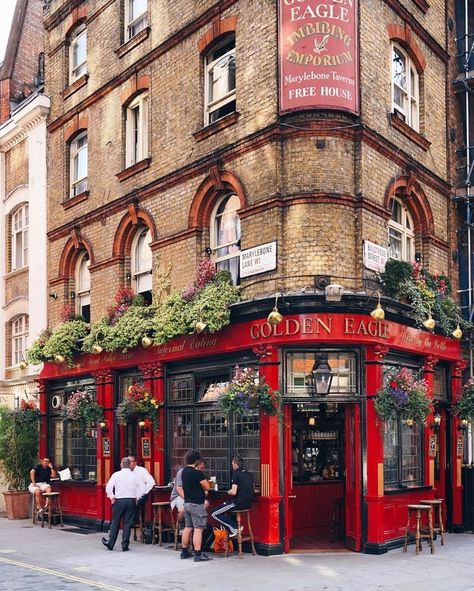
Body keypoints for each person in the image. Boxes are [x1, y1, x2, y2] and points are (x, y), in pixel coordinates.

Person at [102, 457, 145, 552]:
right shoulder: (135, 476)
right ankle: (125, 545)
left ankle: (111, 543)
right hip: (131, 500)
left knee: (115, 522)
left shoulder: (116, 475)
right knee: (128, 523)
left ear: (121, 464)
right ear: (130, 465)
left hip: (119, 500)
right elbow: (142, 488)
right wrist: (137, 497)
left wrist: (112, 497)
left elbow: (108, 487)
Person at [177, 449, 211, 562]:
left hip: (187, 503)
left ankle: (184, 551)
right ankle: (198, 553)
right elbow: (207, 486)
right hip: (197, 504)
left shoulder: (183, 472)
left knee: (188, 528)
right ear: (196, 460)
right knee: (198, 529)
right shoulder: (197, 473)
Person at [211, 456, 254, 538]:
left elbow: (233, 492)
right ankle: (234, 528)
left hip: (238, 503)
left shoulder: (236, 474)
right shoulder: (249, 474)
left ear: (235, 464)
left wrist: (228, 491)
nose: (232, 466)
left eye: (232, 464)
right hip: (248, 504)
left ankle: (235, 528)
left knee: (214, 513)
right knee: (229, 512)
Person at [170, 458, 206, 526]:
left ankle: (195, 523)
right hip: (179, 496)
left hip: (192, 496)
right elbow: (179, 489)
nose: (202, 470)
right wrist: (188, 499)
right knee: (184, 508)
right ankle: (181, 524)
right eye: (201, 467)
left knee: (206, 503)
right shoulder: (182, 472)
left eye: (203, 468)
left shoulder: (197, 473)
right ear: (196, 465)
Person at [129, 455, 156, 524]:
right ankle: (129, 520)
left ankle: (133, 520)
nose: (129, 463)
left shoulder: (142, 471)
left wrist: (144, 492)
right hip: (130, 495)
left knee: (135, 503)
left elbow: (151, 482)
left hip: (141, 495)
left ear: (135, 462)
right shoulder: (126, 472)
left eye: (131, 462)